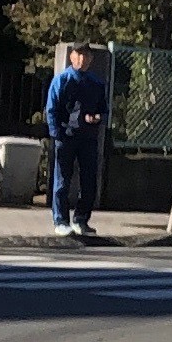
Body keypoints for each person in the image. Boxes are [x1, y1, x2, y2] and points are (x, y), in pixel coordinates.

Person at [46, 41, 108, 237]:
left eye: (86, 55)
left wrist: (96, 118)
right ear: (71, 57)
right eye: (78, 55)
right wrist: (57, 134)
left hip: (88, 138)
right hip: (66, 137)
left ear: (91, 59)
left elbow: (103, 111)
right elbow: (52, 109)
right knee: (62, 180)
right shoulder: (62, 80)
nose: (82, 59)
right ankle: (60, 220)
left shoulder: (96, 84)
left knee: (89, 180)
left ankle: (81, 219)